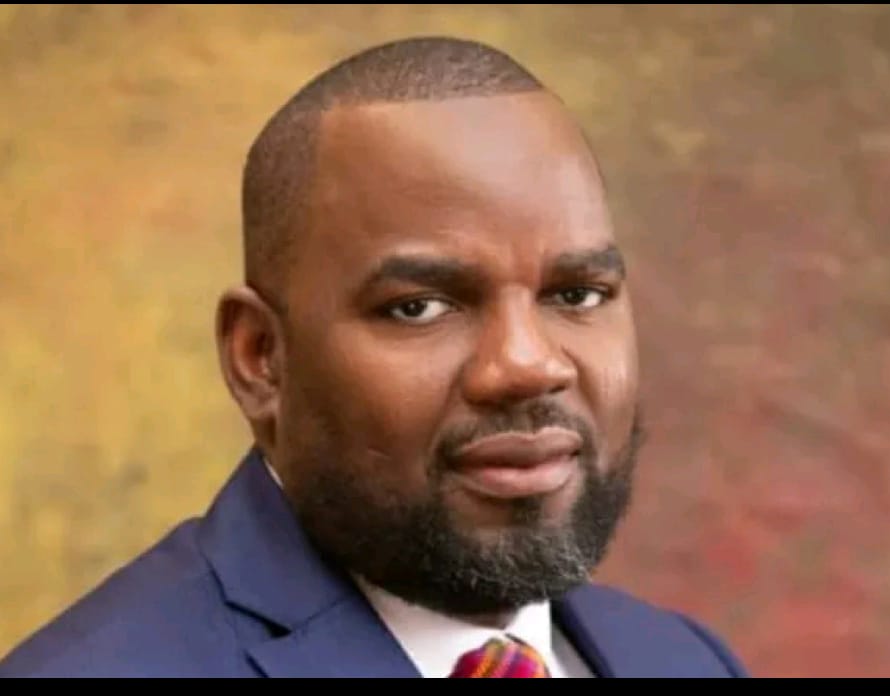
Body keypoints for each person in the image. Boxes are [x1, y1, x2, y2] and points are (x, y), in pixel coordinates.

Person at [0, 36, 748, 678]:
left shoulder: (683, 660)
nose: (527, 365)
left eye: (577, 294)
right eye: (419, 307)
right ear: (260, 358)